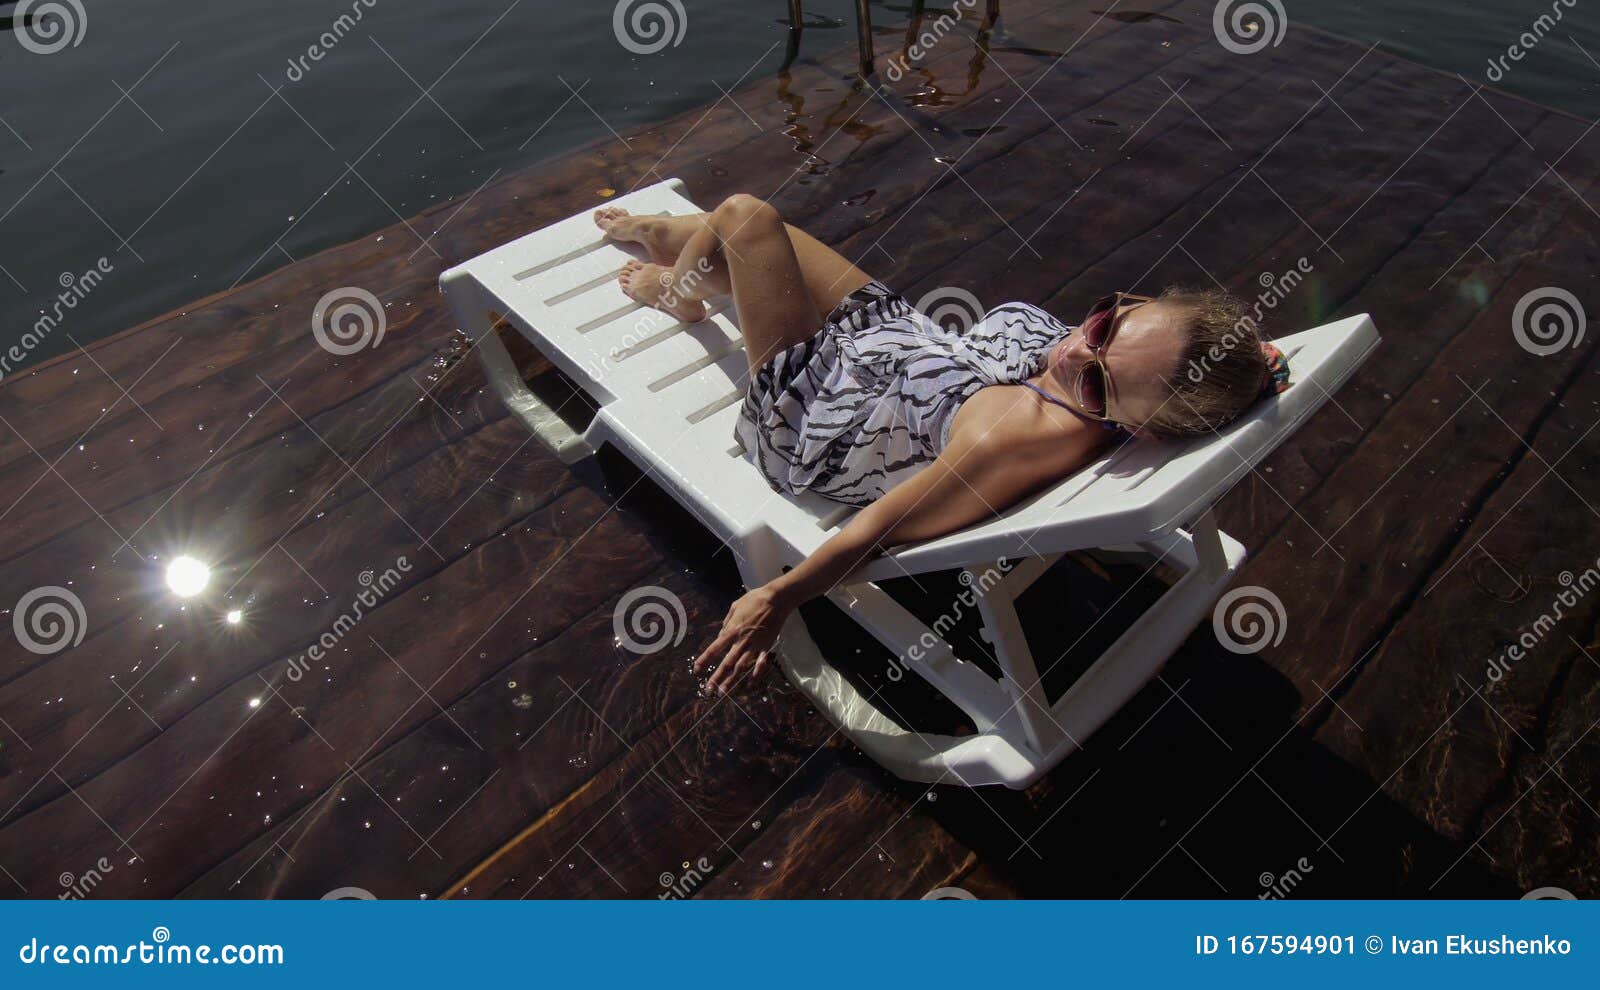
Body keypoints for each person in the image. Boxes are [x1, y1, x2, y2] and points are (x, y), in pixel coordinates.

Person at [594, 194, 1288, 695]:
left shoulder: (1007, 439)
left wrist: (779, 598)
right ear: (1132, 305)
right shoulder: (1140, 387)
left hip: (820, 406)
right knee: (735, 233)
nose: (1078, 348)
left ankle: (673, 286)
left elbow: (878, 529)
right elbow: (1178, 364)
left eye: (1100, 382)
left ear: (1141, 426)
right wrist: (1250, 365)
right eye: (1106, 322)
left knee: (745, 217)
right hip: (904, 347)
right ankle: (670, 249)